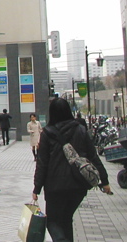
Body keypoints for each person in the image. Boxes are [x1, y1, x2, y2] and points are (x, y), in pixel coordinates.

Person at [32, 98, 112, 241]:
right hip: (78, 185)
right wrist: (104, 181)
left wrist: (37, 188)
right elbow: (93, 156)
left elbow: (42, 163)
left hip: (55, 186)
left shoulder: (47, 133)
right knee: (66, 219)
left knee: (53, 222)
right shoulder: (80, 130)